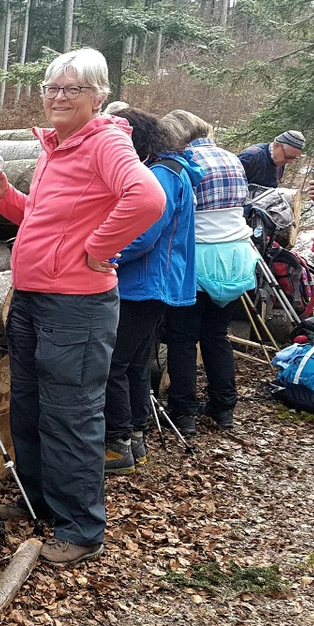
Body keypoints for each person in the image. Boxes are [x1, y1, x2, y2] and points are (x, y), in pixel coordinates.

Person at [0, 48, 165, 566]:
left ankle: (82, 529)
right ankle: (41, 501)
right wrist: (5, 196)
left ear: (98, 96)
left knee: (71, 415)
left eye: (73, 89)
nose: (59, 97)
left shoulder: (105, 140)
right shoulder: (56, 145)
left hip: (76, 306)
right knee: (30, 405)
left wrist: (98, 247)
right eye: (53, 88)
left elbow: (148, 199)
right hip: (33, 298)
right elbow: (42, 216)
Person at [102, 108, 197, 474]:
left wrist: (105, 254)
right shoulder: (172, 170)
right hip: (155, 282)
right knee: (136, 363)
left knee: (113, 364)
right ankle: (136, 438)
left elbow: (143, 234)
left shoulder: (160, 175)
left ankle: (118, 444)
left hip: (143, 284)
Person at [161, 110, 257, 434]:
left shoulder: (184, 163)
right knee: (216, 335)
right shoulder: (233, 159)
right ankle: (224, 408)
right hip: (237, 257)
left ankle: (183, 413)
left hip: (198, 258)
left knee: (183, 339)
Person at [238, 130, 305, 188]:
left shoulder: (279, 161)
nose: (290, 161)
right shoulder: (251, 157)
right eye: (288, 157)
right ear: (276, 146)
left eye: (294, 158)